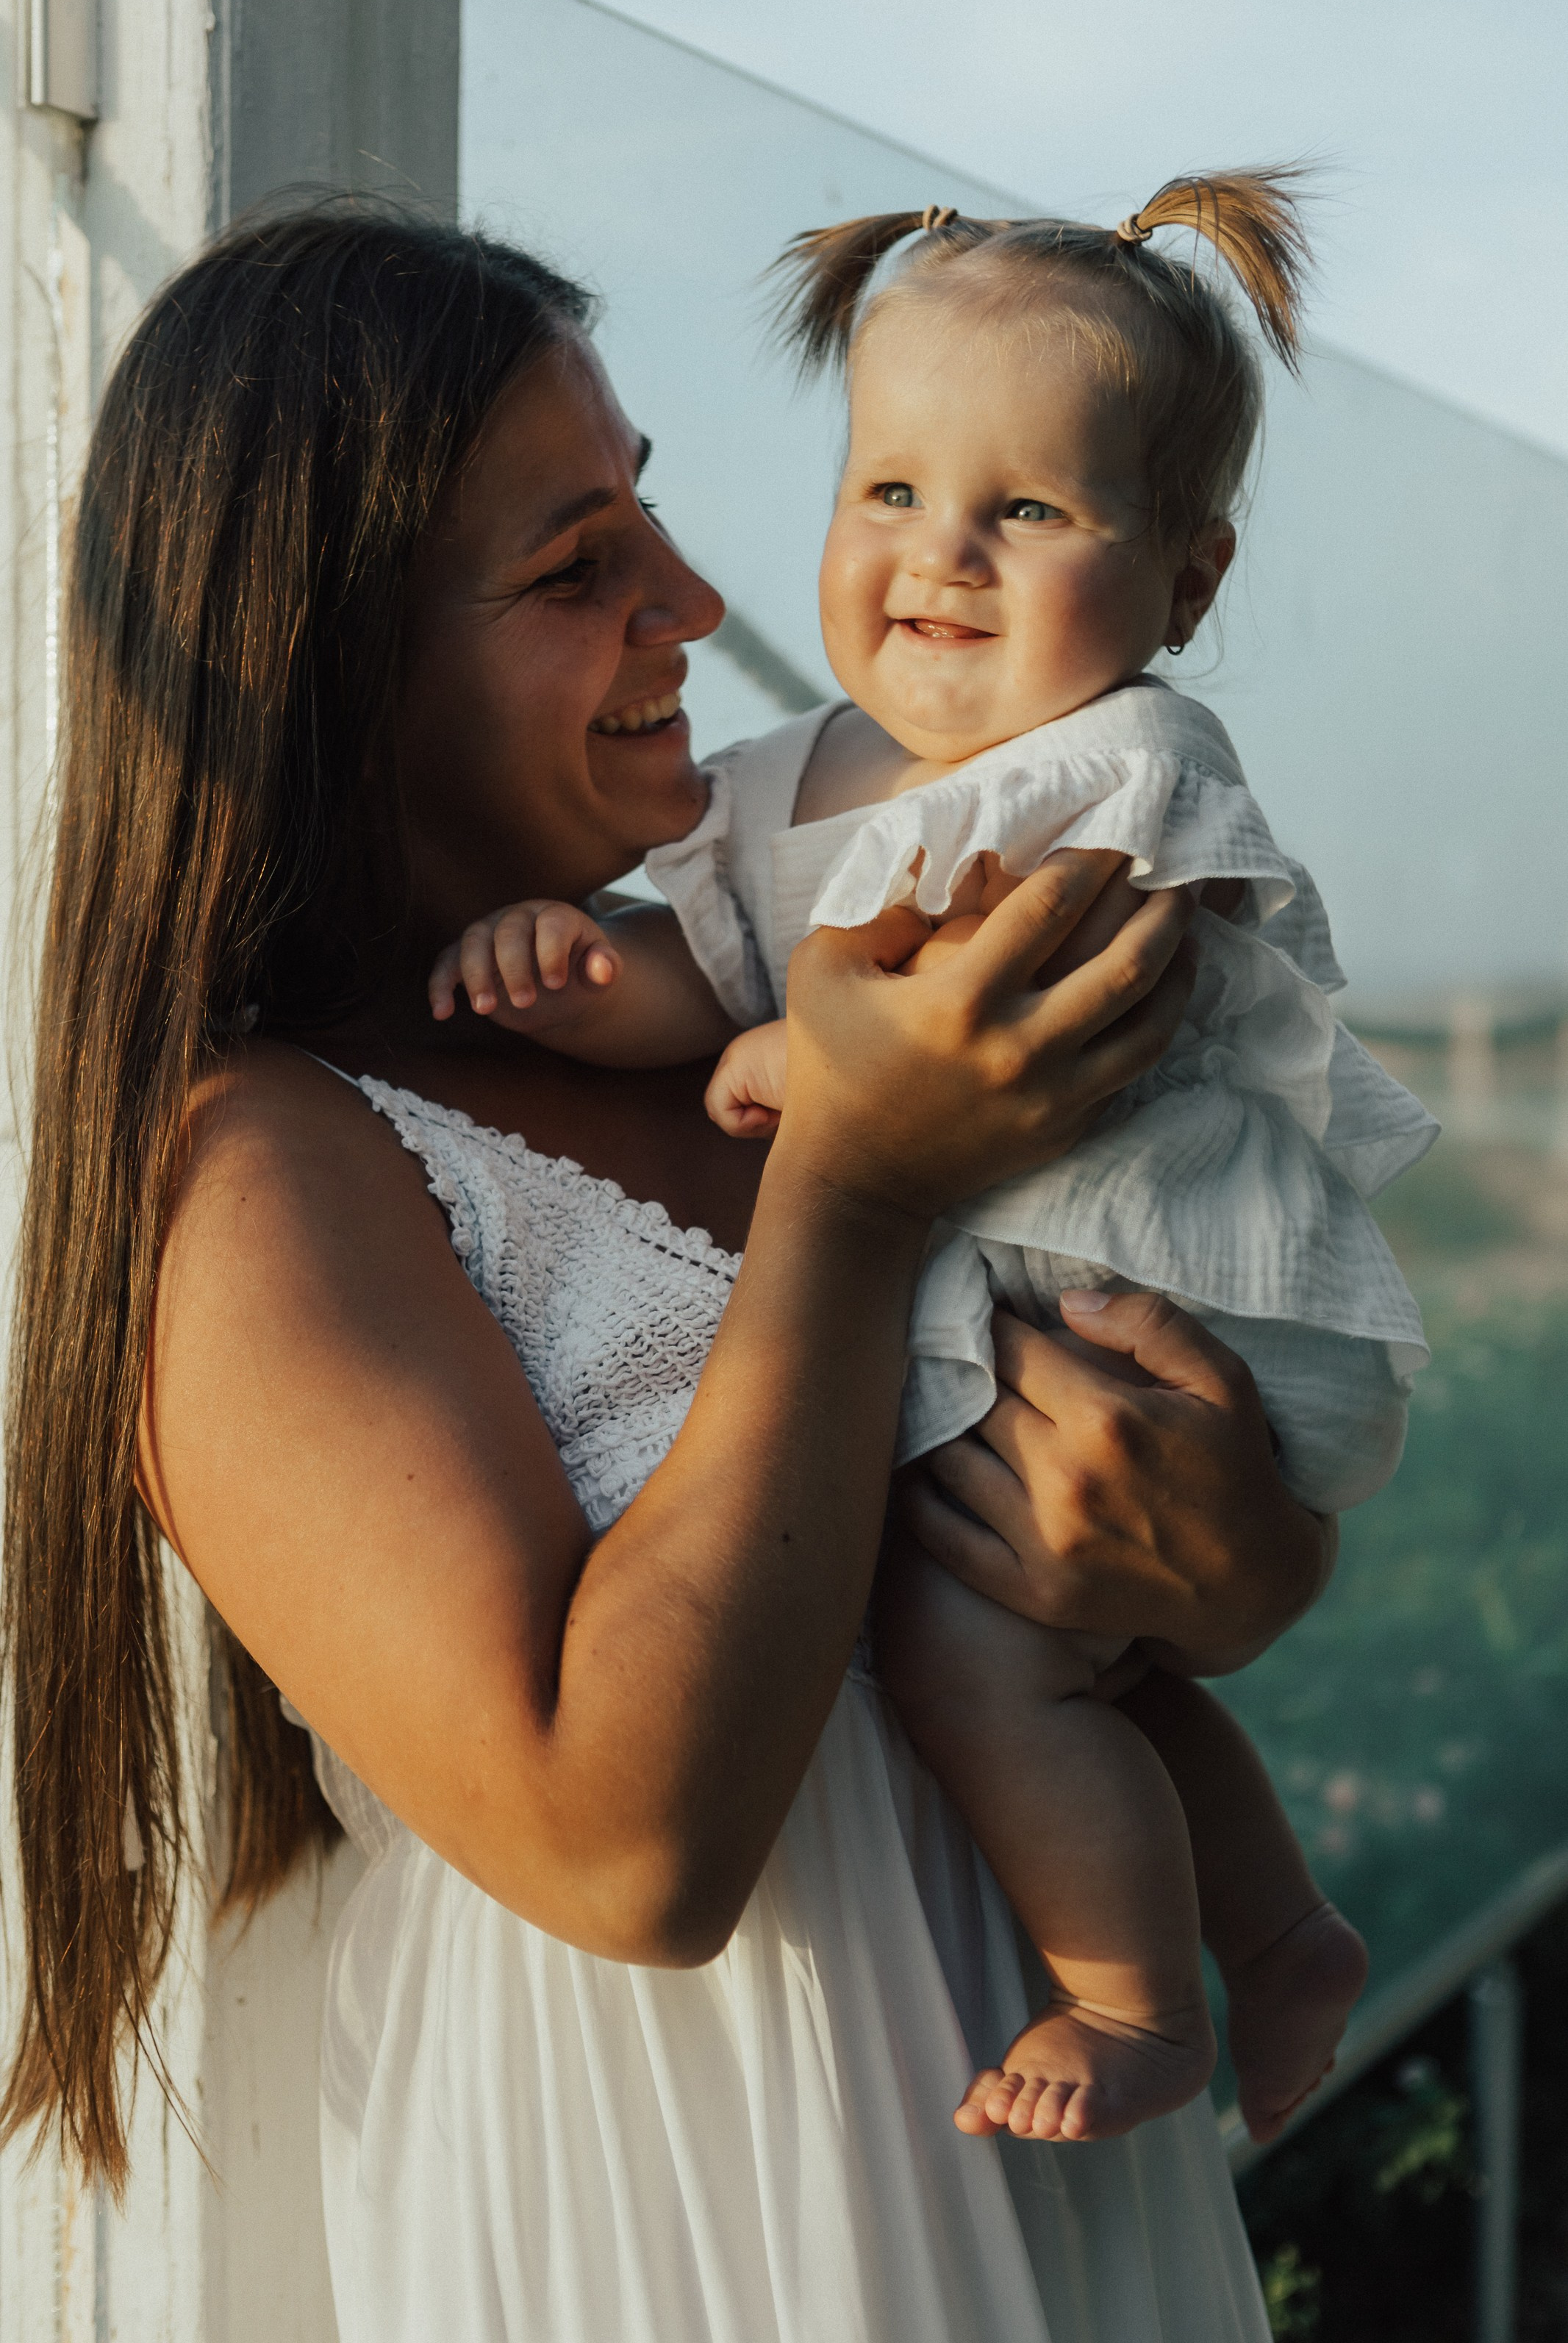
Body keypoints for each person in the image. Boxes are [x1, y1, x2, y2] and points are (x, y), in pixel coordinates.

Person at [1, 204, 1333, 2343]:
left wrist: (1238, 1557)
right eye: (574, 566)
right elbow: (628, 1853)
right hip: (687, 2199)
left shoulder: (760, 1016)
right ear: (334, 662)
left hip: (1021, 2130)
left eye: (656, 514)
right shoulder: (265, 1172)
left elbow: (1081, 1558)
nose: (698, 604)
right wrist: (859, 1196)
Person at [430, 169, 1429, 2156]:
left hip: (1171, 1291)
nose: (938, 558)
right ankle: (1281, 1927)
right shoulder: (794, 783)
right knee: (1081, 1657)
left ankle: (1139, 2004)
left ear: (1187, 584)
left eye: (1028, 512)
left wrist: (813, 1055)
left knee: (979, 1645)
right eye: (889, 492)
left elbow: (1022, 982)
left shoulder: (1121, 760)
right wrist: (573, 970)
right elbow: (693, 967)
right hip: (1045, 1305)